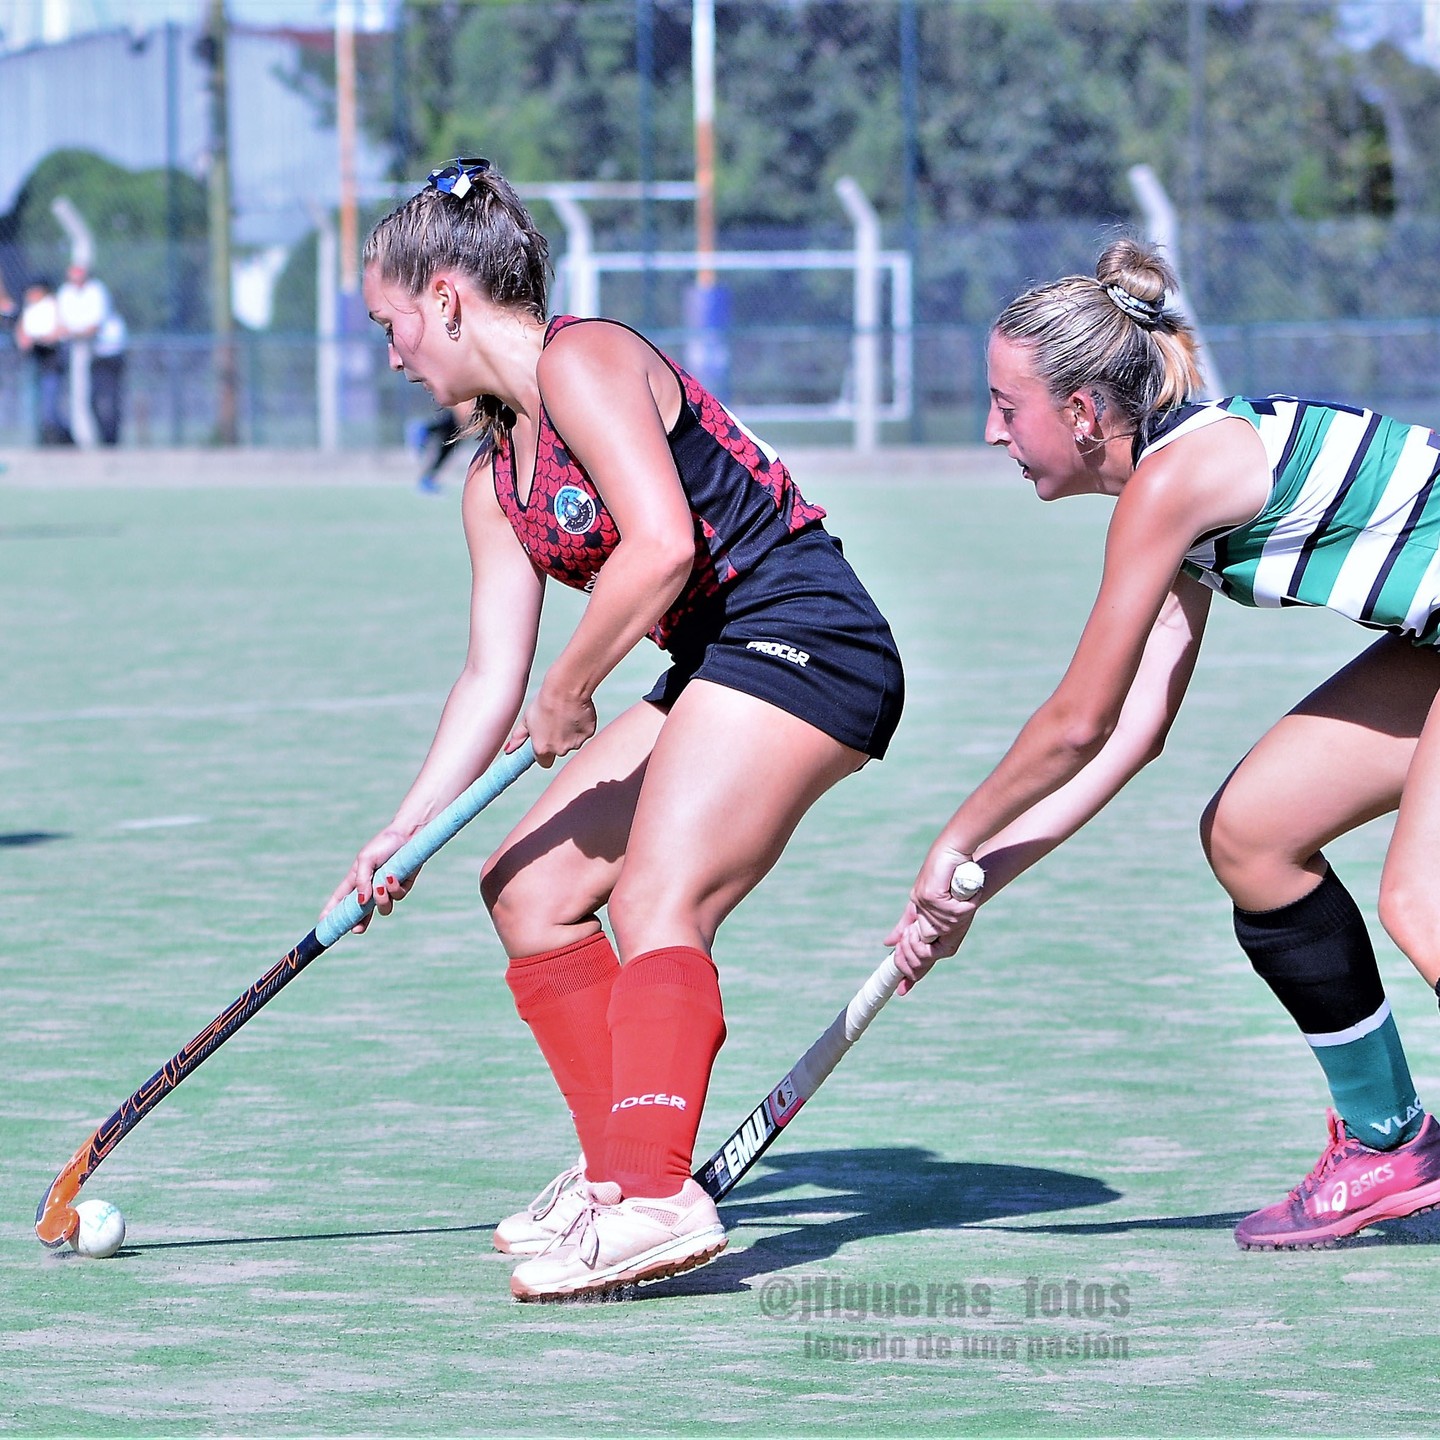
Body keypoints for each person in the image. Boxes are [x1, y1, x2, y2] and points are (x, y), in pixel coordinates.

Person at [331, 158, 904, 1301]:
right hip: (713, 661)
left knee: (655, 898)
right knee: (524, 892)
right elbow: (492, 675)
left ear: (447, 298)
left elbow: (662, 548)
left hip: (807, 637)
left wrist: (575, 683)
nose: (391, 353)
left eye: (392, 324)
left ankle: (653, 1196)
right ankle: (615, 1171)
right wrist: (403, 831)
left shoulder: (583, 361)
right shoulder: (497, 479)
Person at [890, 237, 1440, 1252]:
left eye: (1008, 410)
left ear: (1083, 412)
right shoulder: (1180, 482)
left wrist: (952, 840)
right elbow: (1132, 734)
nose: (991, 432)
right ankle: (1388, 1142)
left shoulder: (1169, 487)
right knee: (1254, 834)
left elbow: (1076, 720)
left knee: (1423, 902)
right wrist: (980, 881)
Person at [57, 262, 126, 446]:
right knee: (89, 400)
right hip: (81, 354)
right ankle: (98, 439)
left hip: (106, 353)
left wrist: (72, 333)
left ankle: (111, 441)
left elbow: (93, 327)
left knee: (107, 399)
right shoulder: (66, 292)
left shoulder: (96, 291)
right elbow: (61, 323)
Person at [15, 279, 73, 445]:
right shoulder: (29, 309)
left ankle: (65, 440)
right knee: (32, 404)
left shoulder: (53, 305)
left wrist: (42, 338)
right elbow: (22, 332)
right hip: (34, 359)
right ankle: (40, 440)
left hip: (50, 359)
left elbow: (59, 330)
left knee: (50, 408)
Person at [406, 401, 471, 492]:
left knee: (449, 445)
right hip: (459, 417)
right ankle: (425, 430)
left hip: (460, 420)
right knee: (451, 436)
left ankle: (428, 478)